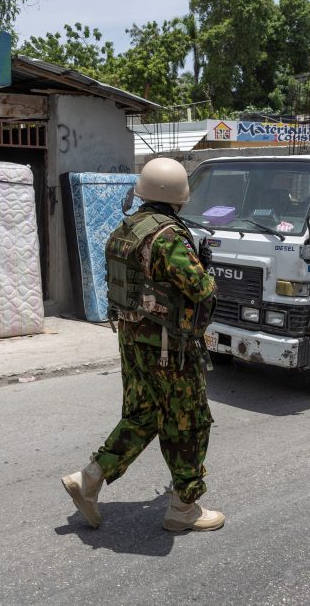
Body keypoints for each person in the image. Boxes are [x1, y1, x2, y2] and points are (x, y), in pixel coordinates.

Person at [61, 157, 224, 532]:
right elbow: (200, 289)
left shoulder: (126, 229)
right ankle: (184, 507)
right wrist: (207, 270)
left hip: (134, 340)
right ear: (177, 196)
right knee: (189, 421)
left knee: (144, 414)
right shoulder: (168, 237)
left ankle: (89, 479)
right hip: (170, 346)